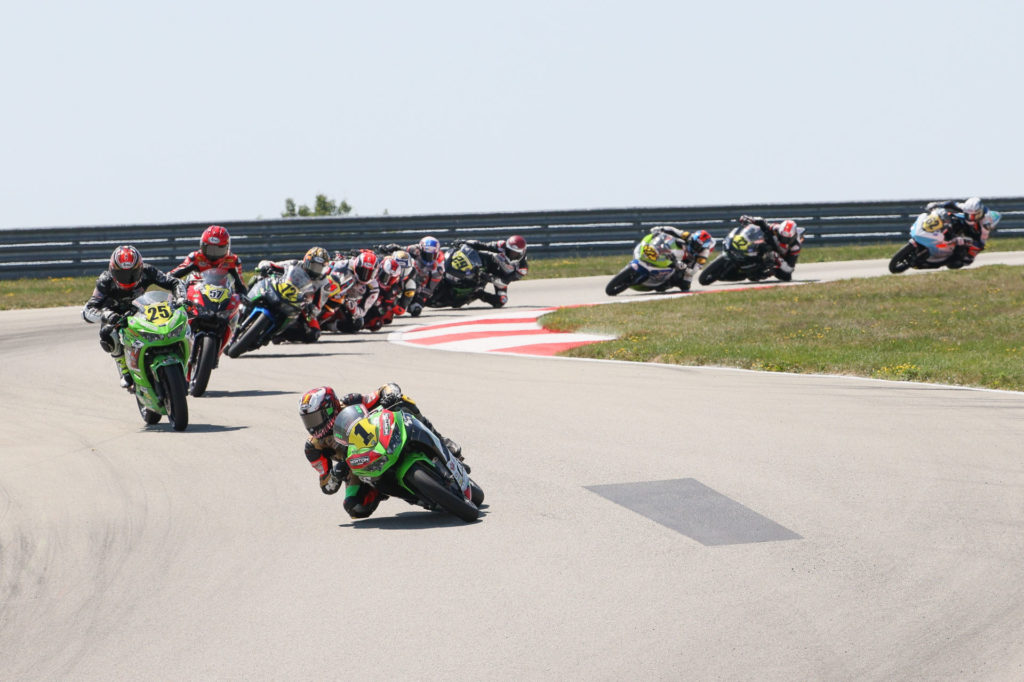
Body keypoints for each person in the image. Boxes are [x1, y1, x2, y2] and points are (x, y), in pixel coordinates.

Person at [298, 383, 466, 519]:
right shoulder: (313, 448)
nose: (312, 426)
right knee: (355, 508)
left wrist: (390, 394)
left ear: (329, 409)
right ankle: (385, 490)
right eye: (307, 421)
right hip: (357, 466)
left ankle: (440, 439)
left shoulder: (351, 402)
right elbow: (326, 486)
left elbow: (385, 388)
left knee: (403, 400)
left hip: (382, 436)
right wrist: (336, 474)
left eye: (314, 418)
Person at [82, 245, 187, 391]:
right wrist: (107, 315)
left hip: (142, 309)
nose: (127, 279)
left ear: (140, 268)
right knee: (107, 333)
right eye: (122, 275)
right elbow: (88, 309)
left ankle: (184, 361)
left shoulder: (148, 271)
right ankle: (124, 368)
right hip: (117, 316)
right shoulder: (105, 280)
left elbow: (174, 282)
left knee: (180, 317)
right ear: (113, 271)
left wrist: (181, 298)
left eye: (133, 273)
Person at [255, 246, 332, 342]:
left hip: (302, 304)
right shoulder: (294, 264)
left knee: (314, 333)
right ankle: (245, 305)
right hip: (282, 290)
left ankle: (279, 334)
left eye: (321, 268)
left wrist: (311, 308)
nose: (317, 270)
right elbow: (271, 264)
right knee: (256, 279)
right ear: (307, 261)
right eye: (315, 266)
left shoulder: (324, 284)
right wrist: (265, 267)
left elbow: (318, 307)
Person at [167, 225, 248, 294]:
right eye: (209, 249)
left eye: (218, 250)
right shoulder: (195, 257)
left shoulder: (233, 260)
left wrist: (241, 296)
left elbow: (240, 284)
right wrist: (165, 278)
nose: (213, 254)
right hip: (195, 292)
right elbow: (174, 274)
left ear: (227, 248)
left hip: (222, 294)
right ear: (202, 246)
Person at [453, 234, 529, 307]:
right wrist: (465, 243)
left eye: (515, 253)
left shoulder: (522, 268)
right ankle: (461, 272)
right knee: (478, 254)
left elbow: (505, 281)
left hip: (500, 278)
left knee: (501, 301)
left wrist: (491, 278)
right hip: (491, 263)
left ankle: (478, 293)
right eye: (511, 251)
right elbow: (483, 245)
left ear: (522, 252)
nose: (512, 254)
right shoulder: (502, 245)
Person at [924, 197, 1001, 266]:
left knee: (968, 257)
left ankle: (957, 256)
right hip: (962, 223)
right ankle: (935, 235)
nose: (971, 218)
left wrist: (970, 244)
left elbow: (981, 242)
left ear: (980, 213)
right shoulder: (965, 207)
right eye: (969, 215)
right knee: (950, 217)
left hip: (975, 232)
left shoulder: (986, 221)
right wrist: (936, 205)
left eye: (974, 216)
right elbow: (951, 203)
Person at [379, 236, 445, 315]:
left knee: (416, 309)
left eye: (432, 255)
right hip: (406, 274)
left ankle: (399, 303)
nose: (429, 258)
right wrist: (391, 248)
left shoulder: (439, 264)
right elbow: (402, 253)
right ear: (421, 250)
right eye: (426, 254)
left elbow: (431, 286)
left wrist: (420, 298)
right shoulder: (414, 249)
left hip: (420, 285)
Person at [647, 226, 716, 291]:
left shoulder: (703, 254)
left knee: (685, 286)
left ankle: (668, 281)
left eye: (698, 246)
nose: (695, 246)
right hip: (677, 252)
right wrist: (660, 229)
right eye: (694, 243)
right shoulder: (687, 236)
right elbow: (673, 230)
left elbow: (693, 271)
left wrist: (684, 267)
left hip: (687, 265)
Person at [738, 215, 804, 281]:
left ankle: (764, 273)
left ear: (793, 236)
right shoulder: (776, 228)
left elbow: (790, 268)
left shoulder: (795, 246)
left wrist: (777, 258)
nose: (783, 240)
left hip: (781, 258)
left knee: (786, 277)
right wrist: (750, 219)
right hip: (771, 245)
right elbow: (763, 222)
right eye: (782, 237)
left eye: (787, 239)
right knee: (761, 240)